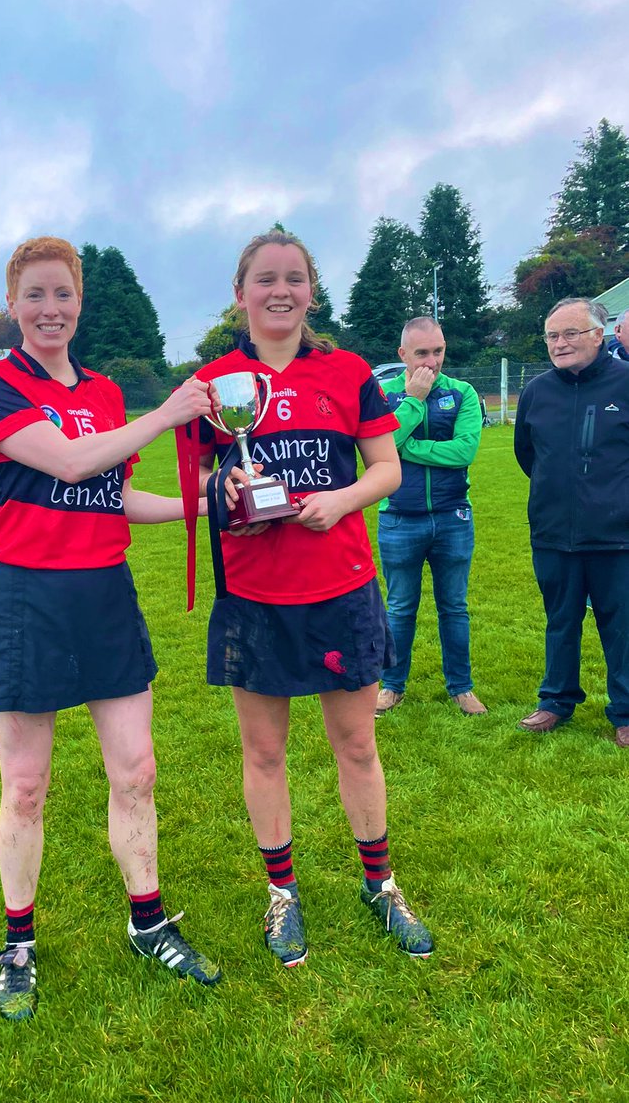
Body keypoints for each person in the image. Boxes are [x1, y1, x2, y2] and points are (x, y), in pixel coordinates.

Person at [0, 236, 221, 1022]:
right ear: (14, 305)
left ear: (80, 304)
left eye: (63, 295)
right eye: (35, 295)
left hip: (104, 595)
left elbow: (110, 495)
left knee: (136, 770)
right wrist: (169, 413)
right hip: (24, 600)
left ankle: (148, 922)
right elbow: (70, 465)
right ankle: (18, 945)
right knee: (28, 785)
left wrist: (207, 504)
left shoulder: (105, 393)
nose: (50, 310)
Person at [194, 229, 433, 967]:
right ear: (241, 294)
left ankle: (381, 884)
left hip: (340, 586)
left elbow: (387, 468)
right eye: (265, 279)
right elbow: (201, 485)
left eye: (294, 278)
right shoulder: (212, 384)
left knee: (357, 745)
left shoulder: (349, 371)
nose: (280, 291)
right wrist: (222, 487)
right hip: (255, 594)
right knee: (264, 753)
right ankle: (282, 895)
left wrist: (342, 498)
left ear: (311, 291)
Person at [514, 297, 629, 747]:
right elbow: (529, 456)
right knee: (560, 620)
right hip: (552, 533)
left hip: (617, 535)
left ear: (599, 336)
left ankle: (624, 712)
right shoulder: (537, 392)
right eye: (552, 336)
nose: (559, 344)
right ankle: (556, 701)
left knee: (619, 624)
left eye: (570, 334)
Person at [374, 317, 485, 717]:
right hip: (400, 518)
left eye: (438, 351)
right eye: (422, 353)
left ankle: (461, 687)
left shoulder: (463, 393)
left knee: (454, 606)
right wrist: (414, 400)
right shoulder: (383, 395)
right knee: (400, 607)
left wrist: (406, 448)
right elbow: (378, 447)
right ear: (402, 354)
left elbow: (463, 453)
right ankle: (392, 686)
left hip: (453, 516)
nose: (432, 361)